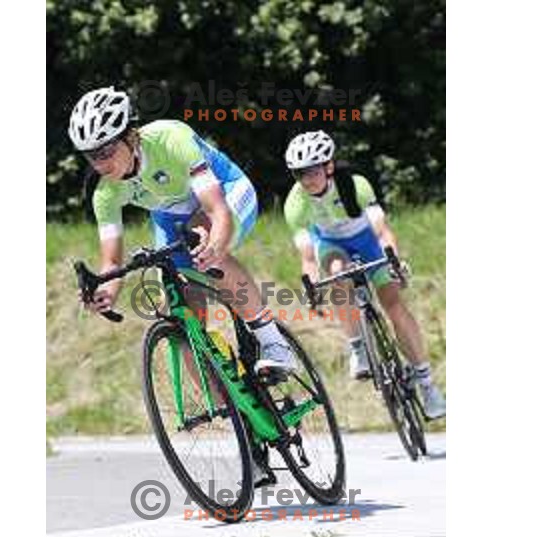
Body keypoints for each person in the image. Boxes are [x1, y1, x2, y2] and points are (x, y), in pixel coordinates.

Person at [68, 86, 296, 375]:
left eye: (106, 150)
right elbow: (112, 262)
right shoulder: (104, 192)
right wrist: (106, 293)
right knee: (182, 316)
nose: (100, 163)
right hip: (170, 216)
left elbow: (217, 211)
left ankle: (273, 341)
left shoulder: (170, 139)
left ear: (130, 136)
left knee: (203, 240)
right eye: (91, 155)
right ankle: (233, 410)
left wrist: (215, 247)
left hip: (227, 191)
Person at [283, 131, 446, 419]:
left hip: (367, 241)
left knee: (394, 306)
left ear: (329, 166)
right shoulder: (295, 204)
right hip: (331, 246)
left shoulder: (355, 185)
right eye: (298, 174)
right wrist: (310, 284)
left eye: (311, 171)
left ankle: (427, 384)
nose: (306, 179)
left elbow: (382, 231)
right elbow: (308, 257)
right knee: (335, 273)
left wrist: (393, 260)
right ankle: (358, 346)